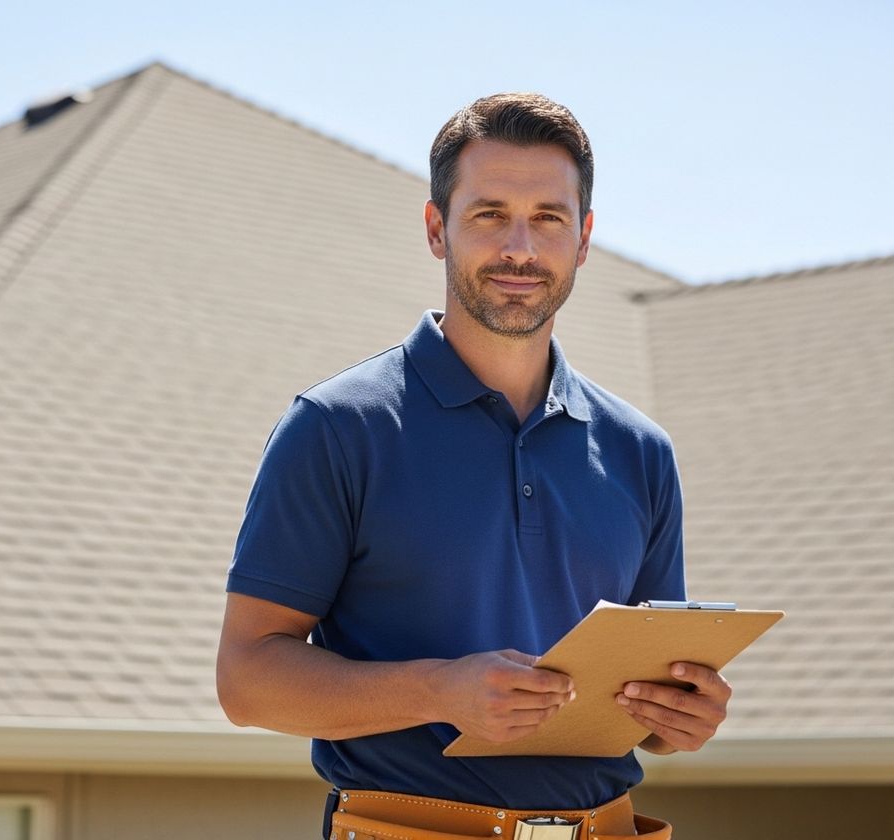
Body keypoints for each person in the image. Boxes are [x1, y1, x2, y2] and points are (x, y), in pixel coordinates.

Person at [217, 93, 730, 839]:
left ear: (583, 239)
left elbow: (643, 701)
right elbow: (247, 681)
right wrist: (440, 690)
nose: (520, 247)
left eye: (548, 218)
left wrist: (677, 716)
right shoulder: (337, 427)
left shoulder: (639, 450)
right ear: (437, 229)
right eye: (489, 214)